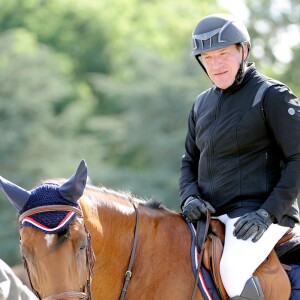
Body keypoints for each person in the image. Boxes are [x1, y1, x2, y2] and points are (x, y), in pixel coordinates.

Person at [179, 13, 300, 300]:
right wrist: (189, 198)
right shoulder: (200, 105)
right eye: (208, 58)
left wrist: (266, 213)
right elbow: (188, 161)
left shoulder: (272, 95)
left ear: (243, 50)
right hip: (211, 216)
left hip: (259, 216)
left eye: (223, 54)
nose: (216, 64)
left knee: (232, 277)